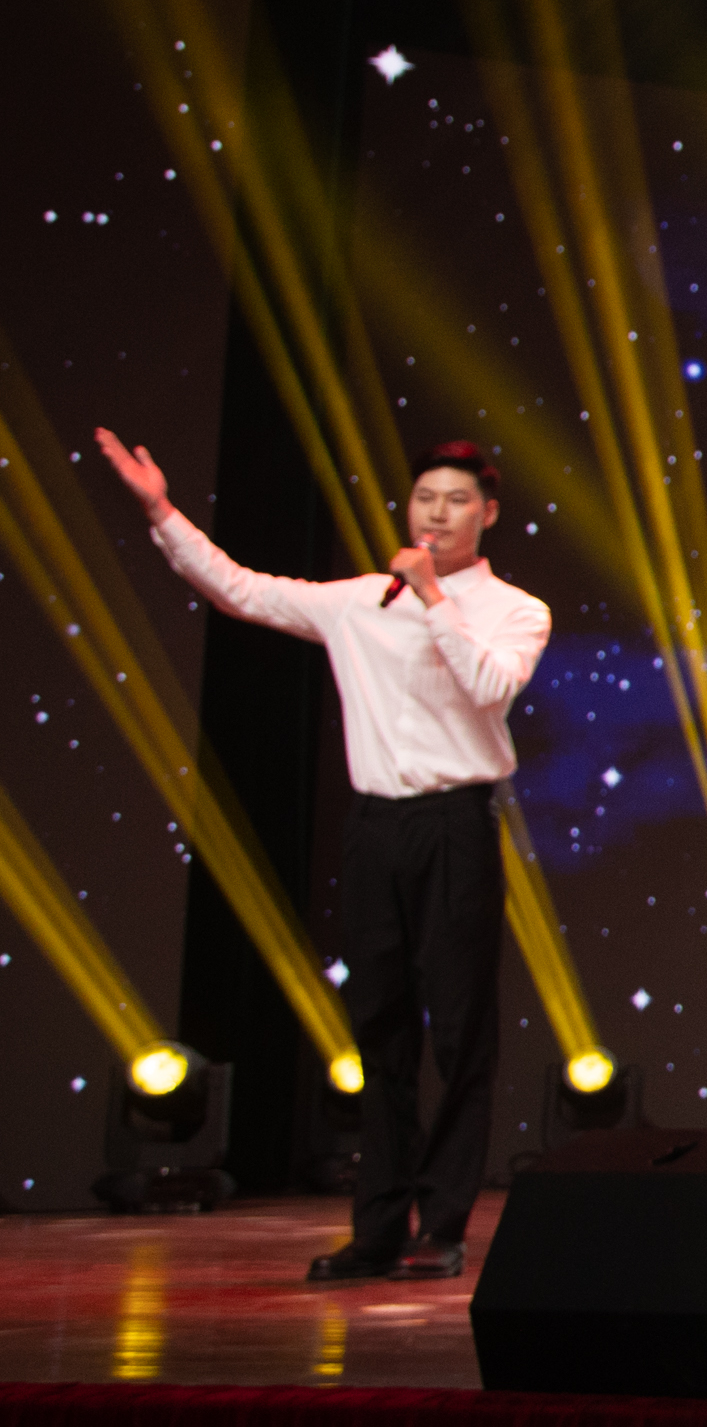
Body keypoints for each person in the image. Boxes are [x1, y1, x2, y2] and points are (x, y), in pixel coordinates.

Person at [95, 428, 551, 1283]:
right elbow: (240, 590)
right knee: (377, 1029)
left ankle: (441, 1225)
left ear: (487, 515)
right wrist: (161, 512)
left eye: (456, 501)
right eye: (425, 499)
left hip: (455, 824)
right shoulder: (358, 603)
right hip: (376, 827)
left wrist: (433, 599)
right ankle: (376, 1228)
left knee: (460, 1033)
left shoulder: (515, 610)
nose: (437, 514)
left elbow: (490, 686)